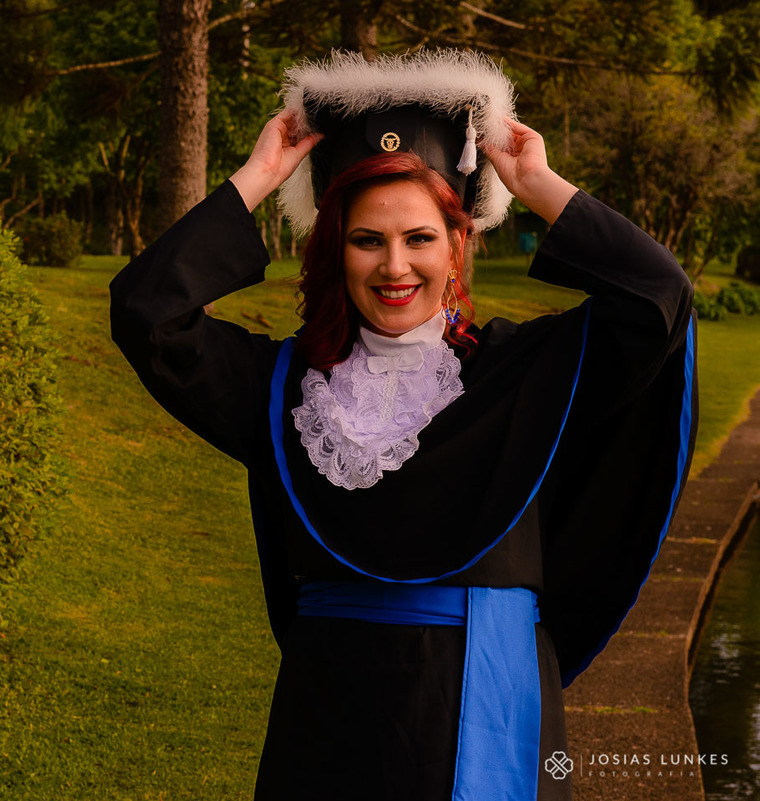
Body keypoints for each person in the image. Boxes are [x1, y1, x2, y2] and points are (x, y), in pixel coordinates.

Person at [109, 50, 697, 801]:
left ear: (458, 247)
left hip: (483, 698)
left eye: (420, 237)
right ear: (335, 249)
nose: (395, 266)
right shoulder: (285, 387)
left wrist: (539, 185)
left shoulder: (521, 372)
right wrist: (257, 177)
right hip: (328, 715)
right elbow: (146, 314)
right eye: (367, 239)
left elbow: (659, 299)